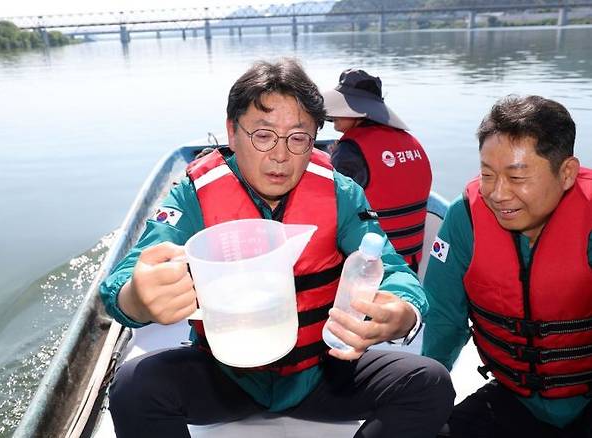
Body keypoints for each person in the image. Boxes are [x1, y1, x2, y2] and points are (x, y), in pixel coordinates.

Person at [99, 58, 454, 438]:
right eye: (263, 135)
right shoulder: (193, 196)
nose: (281, 155)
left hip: (321, 371)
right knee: (133, 385)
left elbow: (395, 270)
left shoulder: (342, 193)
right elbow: (123, 279)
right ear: (233, 132)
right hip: (225, 375)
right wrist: (136, 296)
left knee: (429, 383)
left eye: (298, 138)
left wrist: (399, 313)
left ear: (315, 138)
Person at [421, 95, 592, 437]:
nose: (497, 194)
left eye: (516, 177)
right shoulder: (464, 218)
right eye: (487, 174)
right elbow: (444, 319)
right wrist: (426, 400)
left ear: (567, 173)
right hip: (513, 399)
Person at [322, 69, 432, 273]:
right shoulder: (412, 142)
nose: (334, 113)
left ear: (359, 112)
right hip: (412, 258)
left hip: (372, 264)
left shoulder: (349, 151)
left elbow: (330, 207)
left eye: (341, 105)